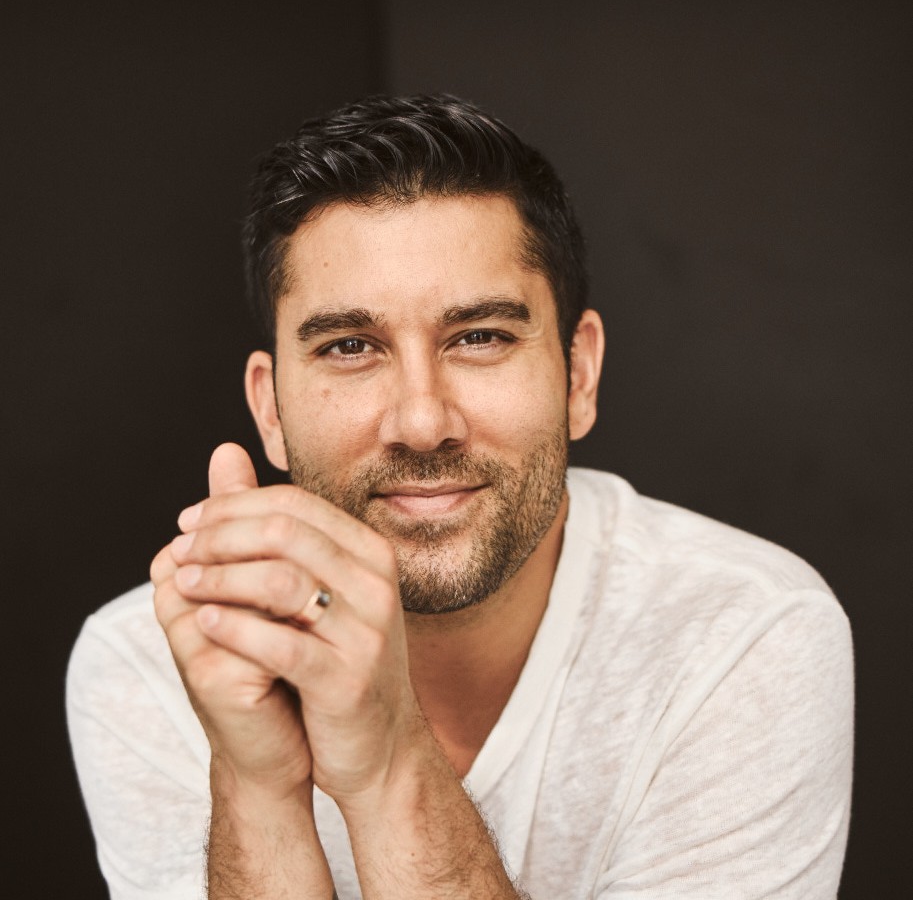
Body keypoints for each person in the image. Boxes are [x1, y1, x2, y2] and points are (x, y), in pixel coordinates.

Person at [67, 94, 853, 900]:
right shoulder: (150, 666)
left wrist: (386, 766)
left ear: (577, 375)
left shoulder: (742, 635)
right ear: (270, 410)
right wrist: (257, 786)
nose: (421, 422)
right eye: (349, 346)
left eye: (480, 337)